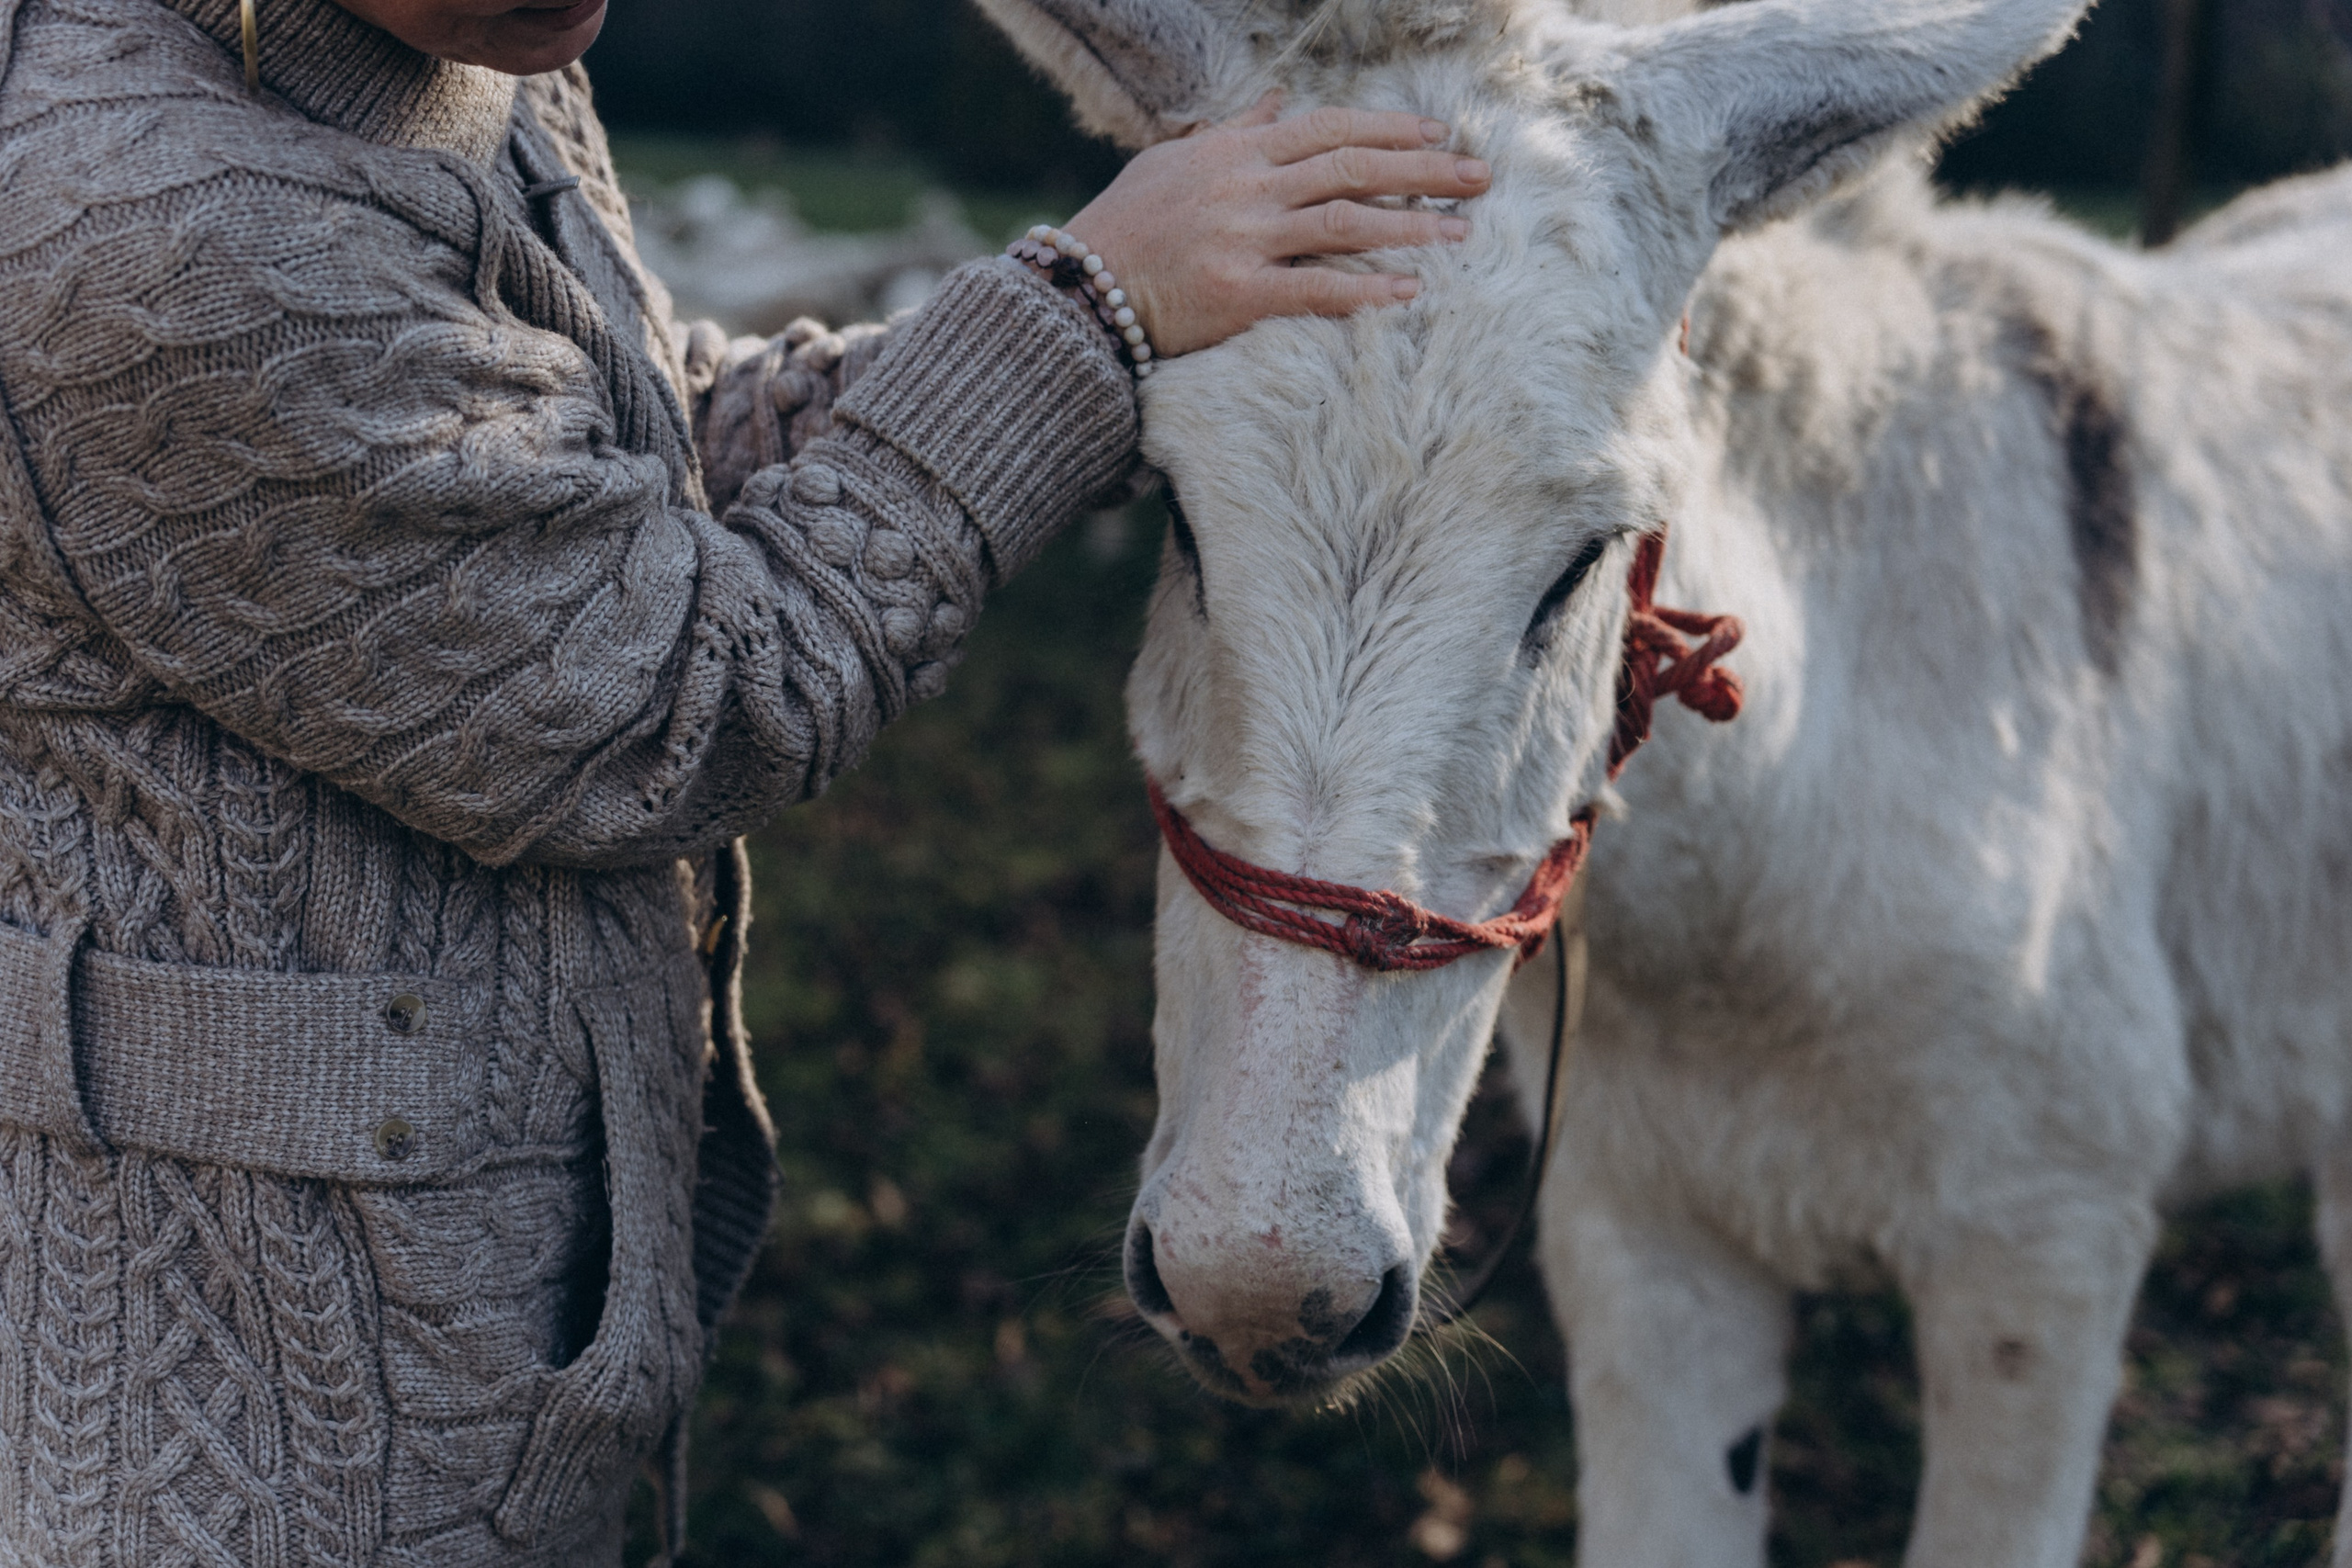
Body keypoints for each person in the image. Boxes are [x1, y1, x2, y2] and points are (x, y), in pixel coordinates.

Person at [0, 0, 1489, 1560]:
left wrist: (1090, 369)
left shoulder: (469, 46)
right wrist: (1080, 322)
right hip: (271, 1430)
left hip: (454, 1315)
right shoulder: (169, 227)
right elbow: (676, 701)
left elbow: (582, 446)